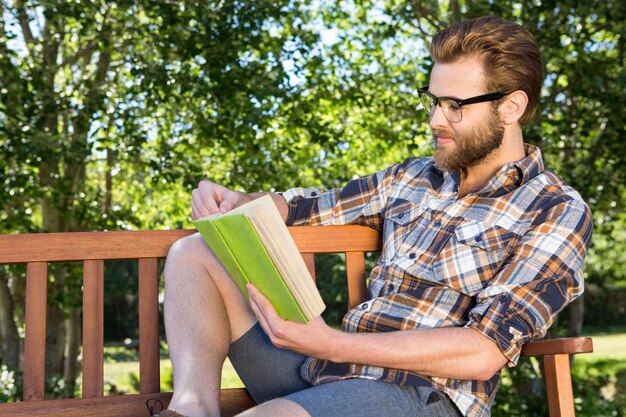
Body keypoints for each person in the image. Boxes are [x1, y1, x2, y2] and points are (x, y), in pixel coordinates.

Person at [149, 15, 593, 417]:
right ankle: (191, 407)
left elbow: (484, 350)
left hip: (421, 395)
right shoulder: (412, 177)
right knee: (195, 251)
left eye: (455, 105)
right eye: (433, 100)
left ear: (510, 107)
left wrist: (330, 341)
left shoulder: (555, 210)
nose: (437, 119)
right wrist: (236, 200)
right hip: (323, 369)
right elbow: (309, 207)